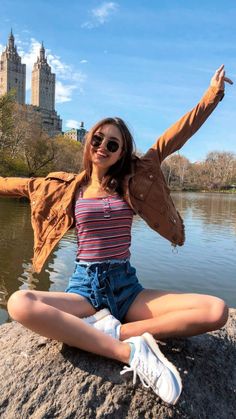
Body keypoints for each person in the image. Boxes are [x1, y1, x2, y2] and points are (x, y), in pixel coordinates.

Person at [1, 65, 233, 405]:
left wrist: (212, 95)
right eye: (98, 139)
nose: (103, 147)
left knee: (216, 311)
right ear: (89, 142)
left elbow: (174, 137)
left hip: (126, 289)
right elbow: (14, 184)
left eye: (113, 144)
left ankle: (115, 333)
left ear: (121, 152)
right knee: (20, 302)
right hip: (84, 290)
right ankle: (126, 351)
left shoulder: (133, 179)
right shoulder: (66, 186)